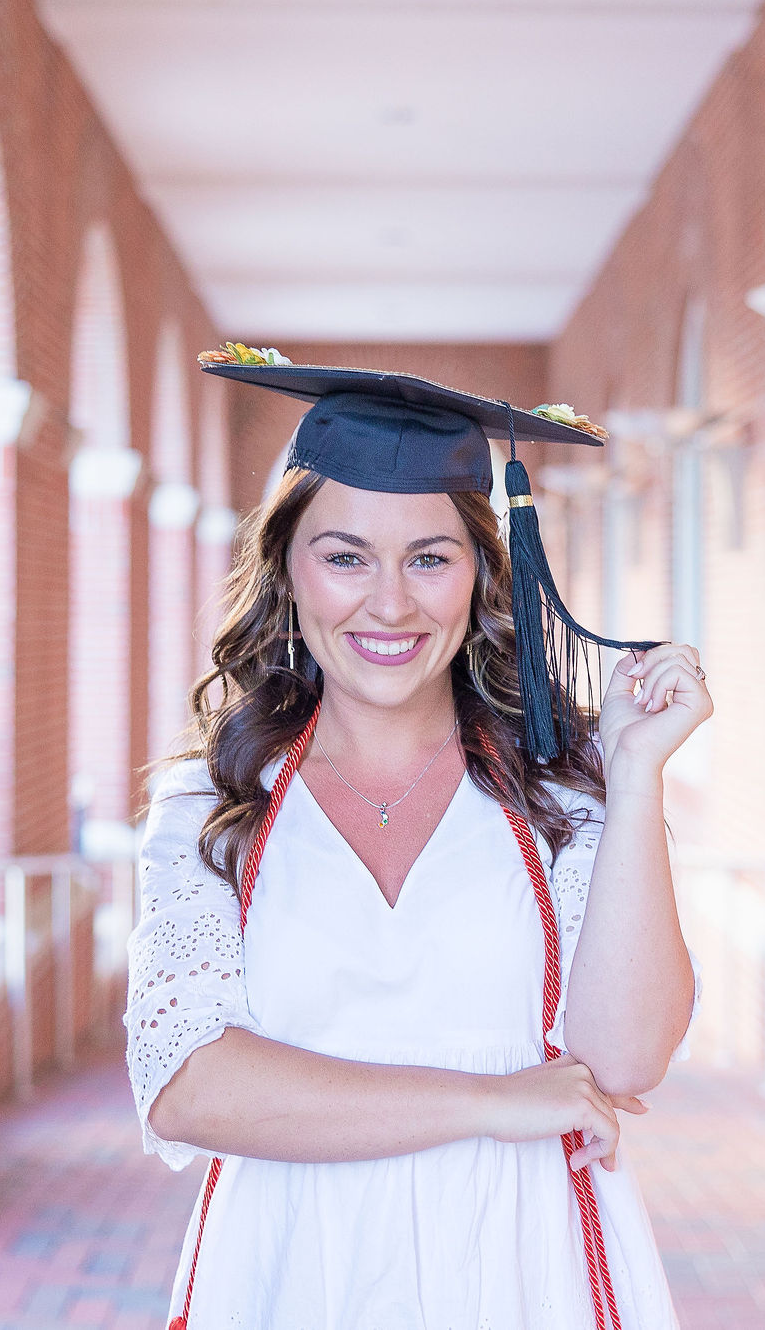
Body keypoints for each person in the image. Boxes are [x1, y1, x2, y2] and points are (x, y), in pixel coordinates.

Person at [125, 348, 711, 1329]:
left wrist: (635, 771)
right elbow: (186, 1086)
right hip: (290, 1265)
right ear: (287, 572)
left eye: (428, 558)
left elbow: (620, 1060)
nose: (388, 602)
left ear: (485, 574)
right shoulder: (216, 803)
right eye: (344, 555)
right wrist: (490, 1102)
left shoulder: (561, 793)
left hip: (523, 1261)